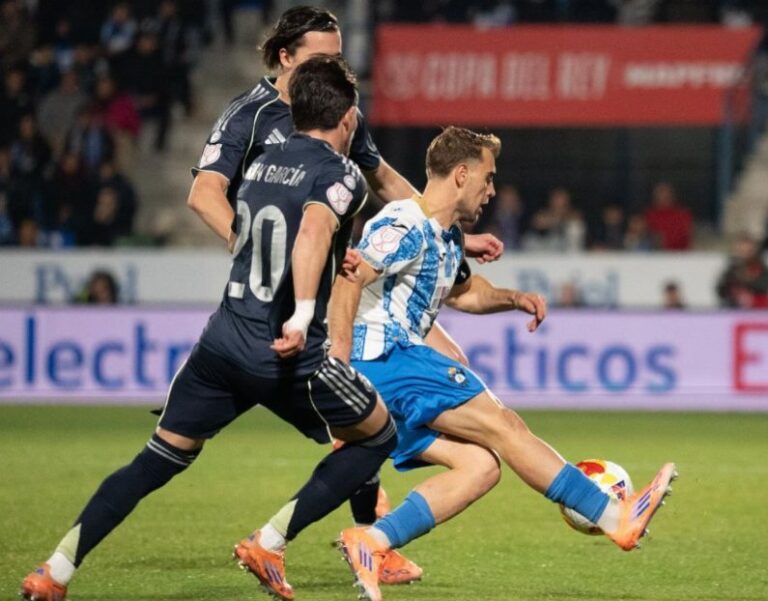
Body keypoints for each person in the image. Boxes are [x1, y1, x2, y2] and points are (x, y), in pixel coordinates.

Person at [20, 55, 398, 601]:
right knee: (377, 433)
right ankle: (271, 540)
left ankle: (53, 572)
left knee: (154, 459)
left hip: (222, 343)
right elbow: (313, 231)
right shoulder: (340, 173)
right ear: (348, 118)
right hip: (289, 355)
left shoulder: (262, 163)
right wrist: (301, 309)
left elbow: (257, 229)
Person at [185, 4, 503, 584]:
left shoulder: (338, 111)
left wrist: (447, 228)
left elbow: (384, 179)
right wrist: (255, 249)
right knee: (358, 416)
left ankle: (365, 536)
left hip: (335, 270)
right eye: (322, 57)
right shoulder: (248, 117)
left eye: (338, 56)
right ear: (286, 57)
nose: (336, 66)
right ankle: (329, 536)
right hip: (270, 292)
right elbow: (205, 193)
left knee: (379, 401)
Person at [327, 127, 677, 601]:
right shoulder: (404, 224)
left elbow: (466, 293)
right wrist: (340, 365)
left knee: (481, 465)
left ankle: (372, 540)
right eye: (488, 179)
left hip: (390, 374)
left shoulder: (446, 236)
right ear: (463, 174)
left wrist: (514, 298)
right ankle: (616, 517)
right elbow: (349, 277)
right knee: (504, 425)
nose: (492, 190)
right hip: (385, 360)